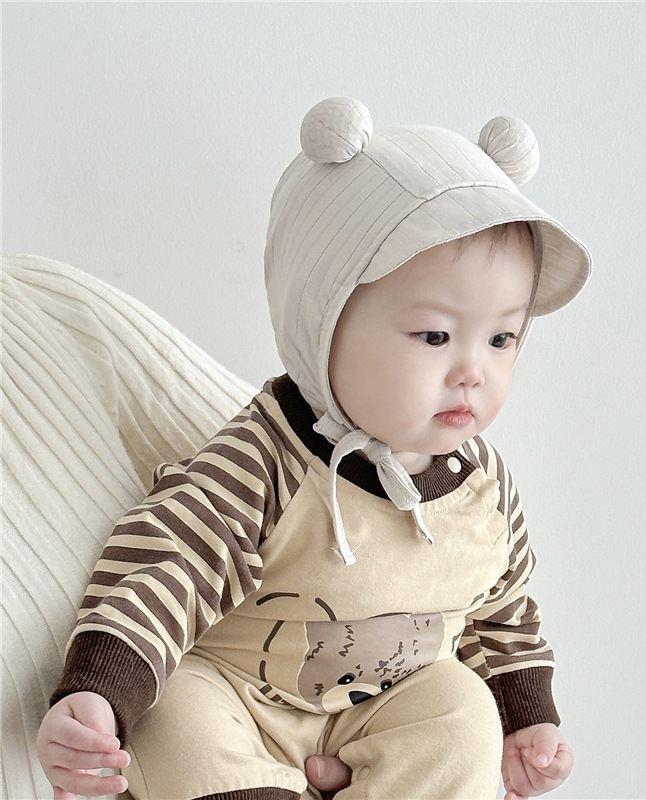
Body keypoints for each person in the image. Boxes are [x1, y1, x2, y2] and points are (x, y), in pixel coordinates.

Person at [36, 97, 591, 800]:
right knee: (174, 721)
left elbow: (500, 611)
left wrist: (526, 718)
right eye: (435, 336)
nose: (473, 371)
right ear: (321, 323)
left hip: (386, 709)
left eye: (502, 338)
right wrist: (99, 690)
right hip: (239, 696)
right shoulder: (263, 457)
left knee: (460, 712)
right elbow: (168, 566)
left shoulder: (485, 490)